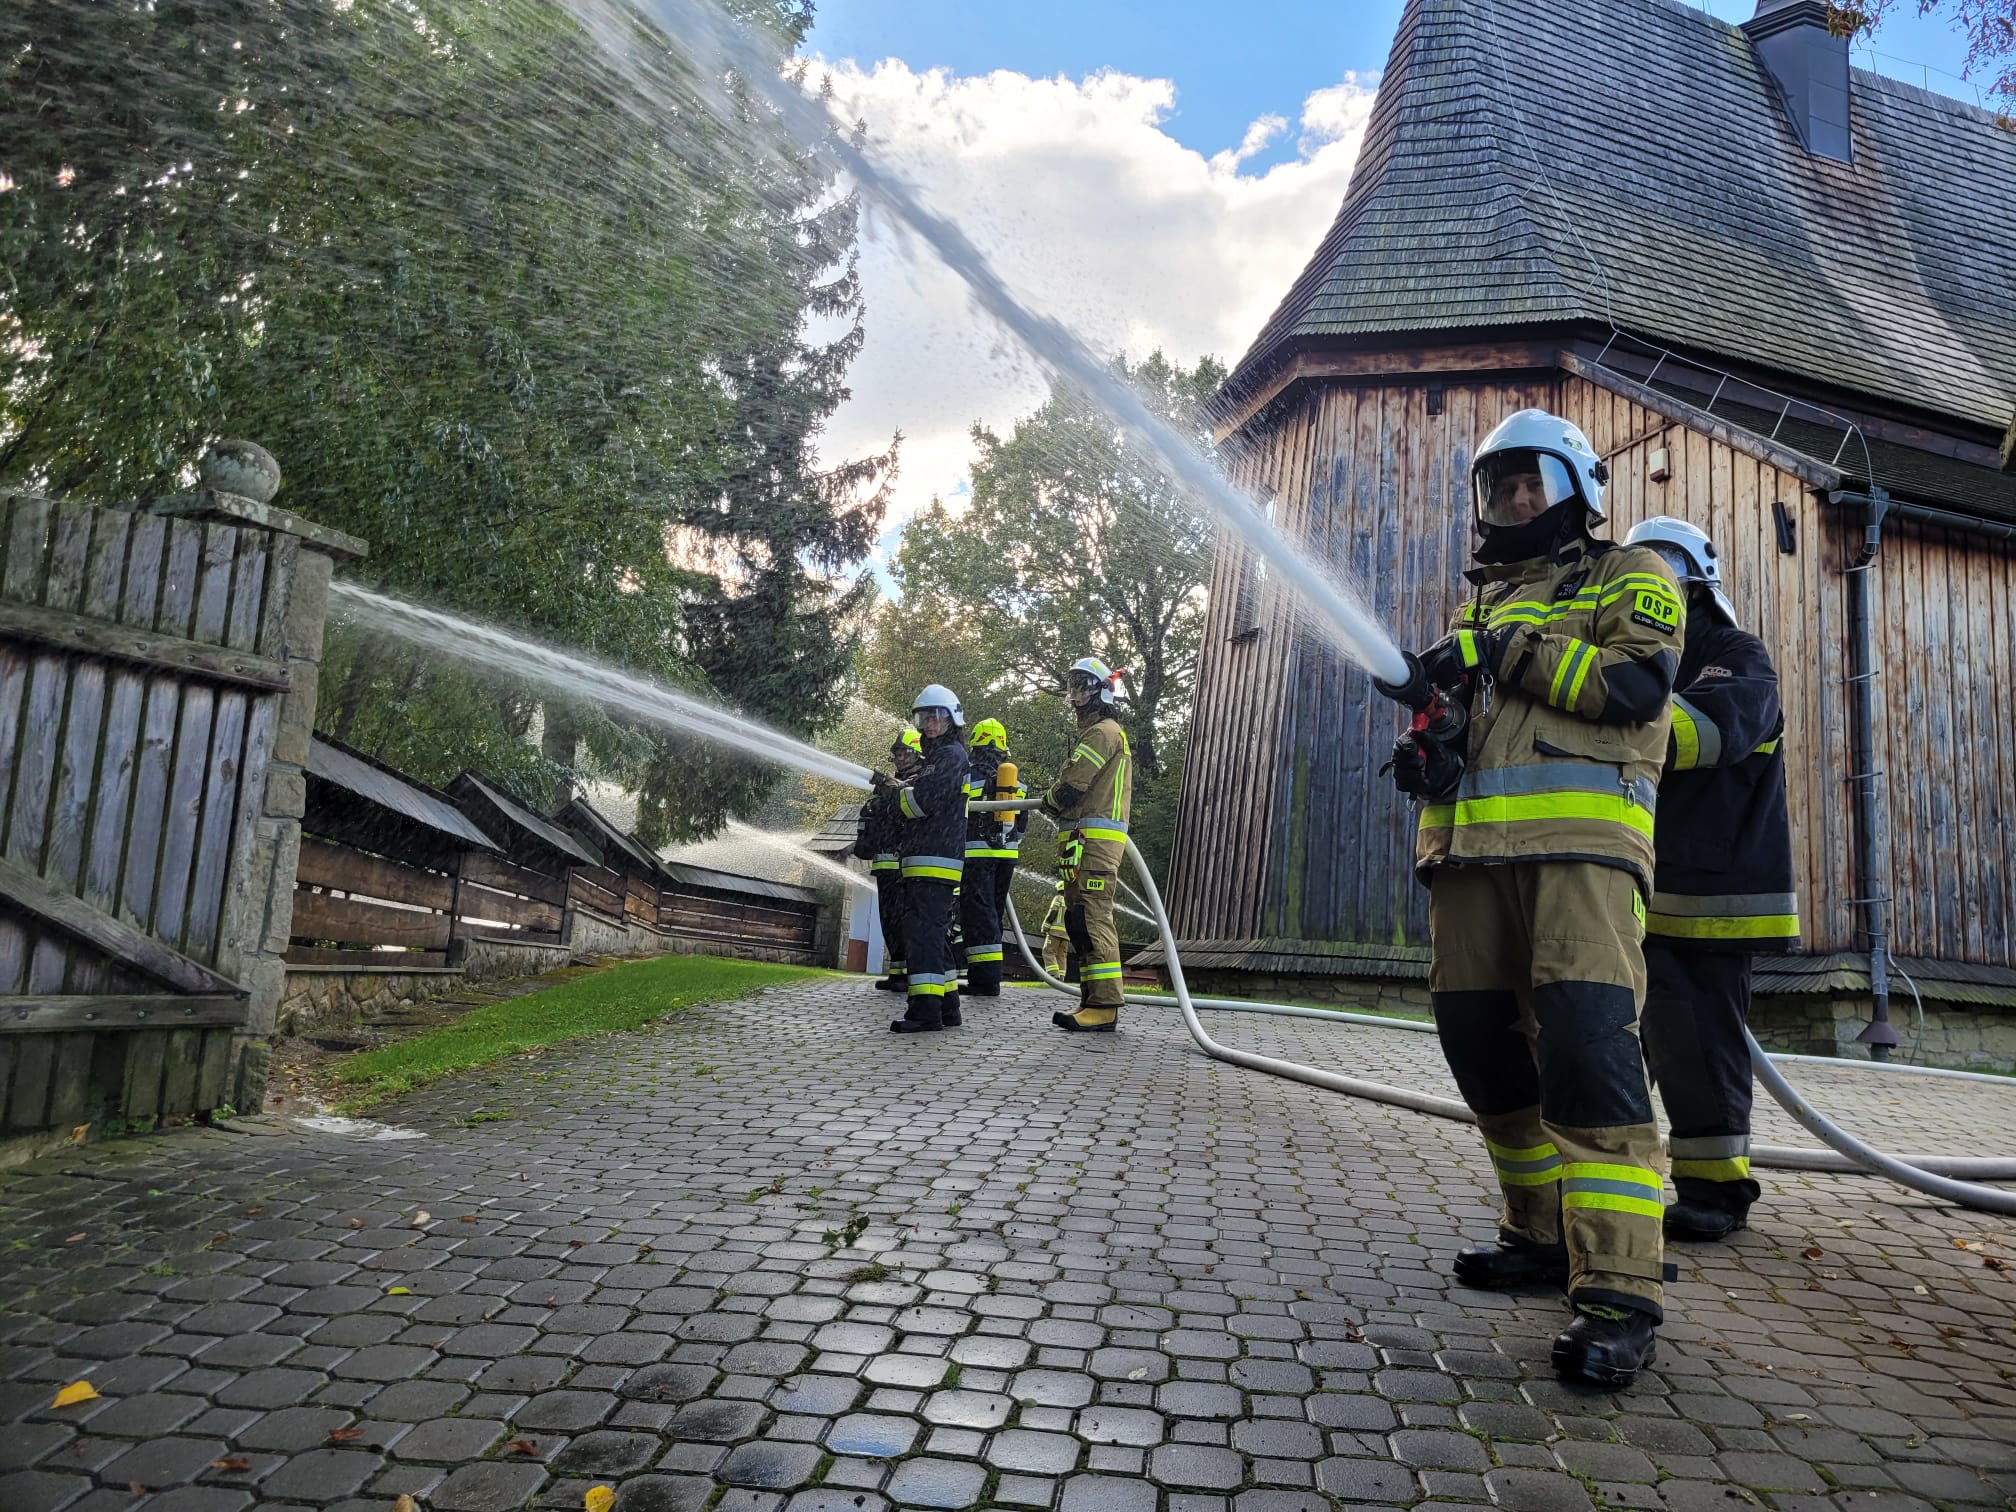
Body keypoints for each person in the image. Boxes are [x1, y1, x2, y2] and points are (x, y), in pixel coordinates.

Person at [1380, 408, 1686, 1390]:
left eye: (1533, 482)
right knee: (1481, 1050)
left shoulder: (1633, 574)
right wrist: (1431, 752)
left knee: (1589, 1058)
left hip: (1583, 858)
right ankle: (1539, 1233)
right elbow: (1465, 727)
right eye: (1501, 486)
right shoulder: (1479, 610)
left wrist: (1500, 653)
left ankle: (1620, 1293)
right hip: (1470, 860)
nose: (1517, 499)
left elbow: (1635, 688)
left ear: (1577, 488)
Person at [1625, 516, 1799, 1243]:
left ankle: (1717, 1191)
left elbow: (1708, 733)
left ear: (1694, 588)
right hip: (1648, 887)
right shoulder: (1644, 657)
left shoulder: (1734, 656)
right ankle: (1614, 1179)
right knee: (1628, 1039)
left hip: (1713, 895)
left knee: (1696, 1044)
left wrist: (1610, 712)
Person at [1042, 657, 1133, 1032]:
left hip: (1094, 844)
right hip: (1081, 843)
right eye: (1073, 687)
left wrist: (1048, 800)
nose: (1075, 696)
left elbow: (1071, 786)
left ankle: (1104, 1005)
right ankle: (1090, 999)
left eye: (1083, 687)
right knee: (1078, 922)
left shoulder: (1102, 733)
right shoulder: (1098, 732)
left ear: (1101, 692)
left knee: (1092, 919)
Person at [875, 685, 970, 1034]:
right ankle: (947, 1006)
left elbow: (923, 802)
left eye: (936, 717)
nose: (929, 724)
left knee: (922, 937)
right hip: (928, 859)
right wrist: (898, 789)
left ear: (951, 719)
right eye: (924, 718)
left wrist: (893, 798)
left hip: (934, 860)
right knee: (934, 935)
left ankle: (925, 1011)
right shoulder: (938, 759)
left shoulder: (950, 757)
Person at [959, 718, 1028, 996]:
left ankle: (985, 981)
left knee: (978, 917)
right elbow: (1021, 827)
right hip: (1007, 858)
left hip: (976, 857)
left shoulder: (968, 777)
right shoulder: (1016, 783)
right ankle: (986, 977)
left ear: (975, 745)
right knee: (993, 915)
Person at [853, 728, 921, 991]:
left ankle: (909, 974)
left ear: (918, 755)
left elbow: (908, 805)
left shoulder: (919, 781)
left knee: (904, 921)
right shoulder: (889, 785)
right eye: (897, 753)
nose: (900, 757)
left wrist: (888, 793)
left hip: (904, 866)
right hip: (884, 865)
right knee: (889, 921)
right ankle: (897, 973)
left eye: (905, 753)